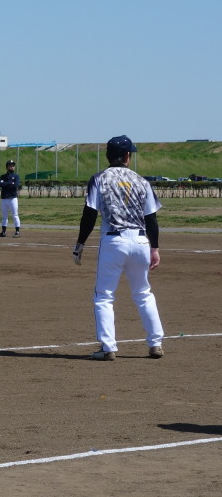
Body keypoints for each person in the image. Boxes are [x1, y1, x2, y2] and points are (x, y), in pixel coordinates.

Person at [73, 135, 165, 361]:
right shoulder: (142, 181)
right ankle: (156, 343)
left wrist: (80, 242)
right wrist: (154, 248)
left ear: (108, 155)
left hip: (114, 241)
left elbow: (90, 214)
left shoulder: (99, 179)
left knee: (104, 296)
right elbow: (151, 219)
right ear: (127, 156)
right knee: (143, 293)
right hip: (140, 241)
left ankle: (108, 347)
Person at [0, 159, 22, 237]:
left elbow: (15, 186)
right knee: (4, 216)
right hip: (4, 199)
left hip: (12, 199)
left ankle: (17, 232)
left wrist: (5, 184)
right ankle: (3, 232)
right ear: (7, 167)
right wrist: (10, 183)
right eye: (10, 165)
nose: (12, 167)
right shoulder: (3, 176)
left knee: (15, 215)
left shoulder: (16, 176)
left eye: (13, 165)